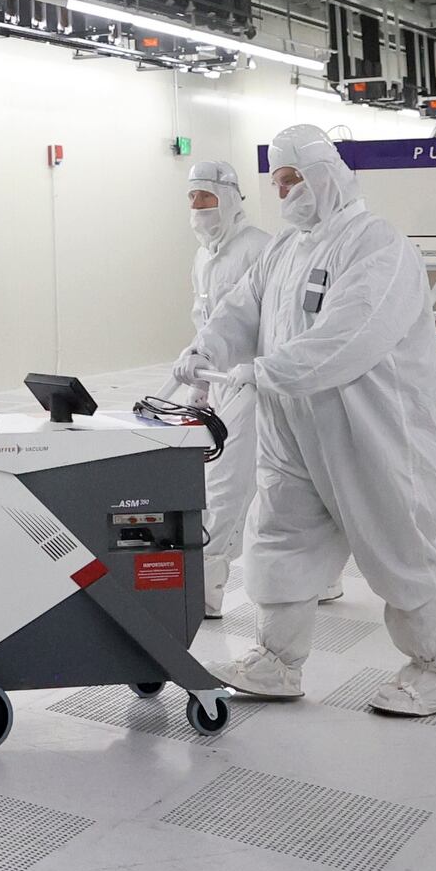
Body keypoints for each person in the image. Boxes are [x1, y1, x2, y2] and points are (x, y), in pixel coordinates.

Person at [184, 124, 436, 714]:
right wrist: (209, 348)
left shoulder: (377, 245)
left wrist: (263, 372)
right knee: (282, 536)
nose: (286, 192)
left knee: (397, 542)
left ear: (326, 175)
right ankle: (278, 661)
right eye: (278, 182)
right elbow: (243, 307)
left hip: (368, 430)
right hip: (292, 427)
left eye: (294, 179)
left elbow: (349, 337)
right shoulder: (285, 250)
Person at [177, 161, 275, 619]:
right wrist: (198, 377)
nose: (197, 206)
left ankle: (204, 591)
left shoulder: (259, 248)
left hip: (255, 382)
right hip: (219, 383)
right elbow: (206, 319)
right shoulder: (204, 256)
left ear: (231, 198)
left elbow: (273, 322)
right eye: (192, 197)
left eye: (206, 197)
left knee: (226, 486)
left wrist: (258, 371)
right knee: (244, 483)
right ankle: (322, 580)